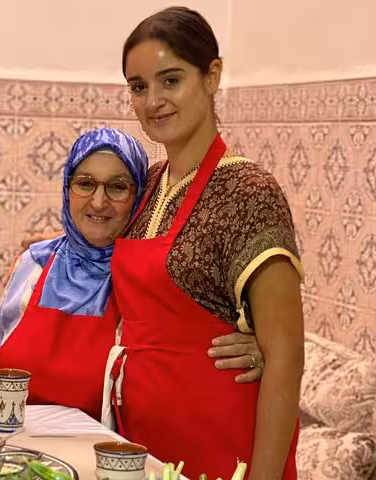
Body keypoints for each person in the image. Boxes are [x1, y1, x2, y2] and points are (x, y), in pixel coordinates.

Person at [103, 7, 304, 480]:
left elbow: (286, 357)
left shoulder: (249, 192)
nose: (153, 101)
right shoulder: (148, 185)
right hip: (139, 446)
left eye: (170, 80)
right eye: (138, 86)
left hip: (222, 448)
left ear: (212, 76)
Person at [0, 126, 265, 424]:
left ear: (138, 197)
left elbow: (184, 350)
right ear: (67, 188)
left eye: (117, 187)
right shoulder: (33, 264)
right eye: (85, 183)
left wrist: (263, 347)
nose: (98, 202)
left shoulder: (147, 278)